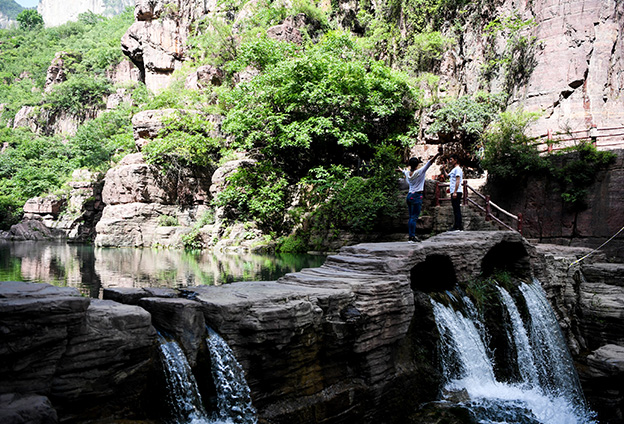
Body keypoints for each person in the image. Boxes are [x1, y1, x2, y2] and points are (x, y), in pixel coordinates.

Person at [397, 150, 441, 243]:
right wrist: (437, 154)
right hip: (416, 196)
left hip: (409, 196)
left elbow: (404, 171)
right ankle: (412, 237)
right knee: (414, 217)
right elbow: (430, 162)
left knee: (411, 217)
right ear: (417, 165)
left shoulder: (408, 174)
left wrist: (400, 170)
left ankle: (411, 235)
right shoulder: (420, 172)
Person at [447, 154, 463, 231]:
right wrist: (444, 168)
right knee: (455, 209)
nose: (450, 161)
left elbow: (458, 180)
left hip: (456, 191)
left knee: (457, 209)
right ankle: (456, 225)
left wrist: (455, 192)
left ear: (455, 160)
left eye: (451, 159)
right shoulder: (453, 169)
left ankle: (458, 226)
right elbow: (447, 175)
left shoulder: (458, 169)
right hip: (453, 191)